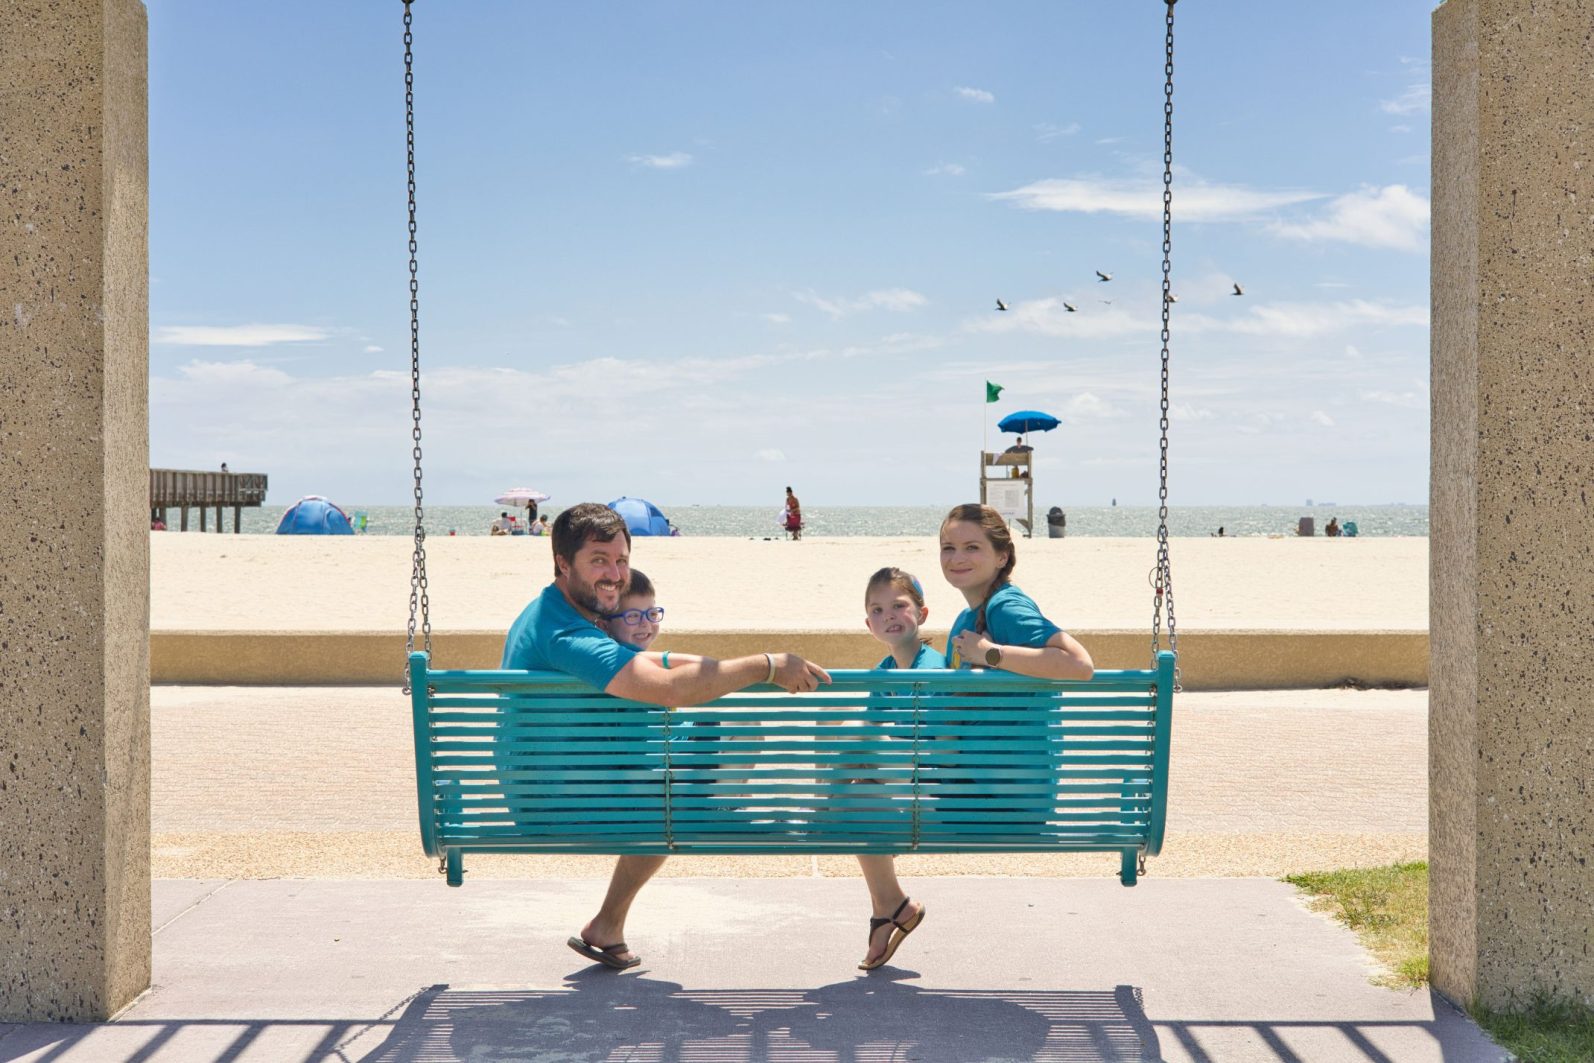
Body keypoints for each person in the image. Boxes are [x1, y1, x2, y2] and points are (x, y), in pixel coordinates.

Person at [502, 503, 830, 971]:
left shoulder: (552, 612)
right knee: (707, 761)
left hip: (555, 786)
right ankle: (737, 816)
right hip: (561, 804)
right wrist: (767, 667)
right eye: (599, 561)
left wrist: (720, 668)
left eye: (621, 560)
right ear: (563, 563)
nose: (615, 575)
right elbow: (669, 689)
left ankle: (608, 925)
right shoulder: (566, 635)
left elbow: (646, 661)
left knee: (693, 752)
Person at [853, 566, 940, 970]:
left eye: (899, 606)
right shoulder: (882, 674)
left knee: (853, 797)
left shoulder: (934, 669)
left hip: (933, 787)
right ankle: (889, 909)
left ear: (922, 614)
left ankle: (891, 908)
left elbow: (932, 744)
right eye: (877, 609)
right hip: (903, 781)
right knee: (857, 794)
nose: (888, 615)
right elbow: (869, 736)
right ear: (868, 624)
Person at [940, 503, 1093, 679]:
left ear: (1002, 557)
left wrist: (989, 653)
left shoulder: (1005, 608)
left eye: (972, 547)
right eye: (948, 548)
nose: (957, 559)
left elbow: (1080, 665)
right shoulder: (964, 619)